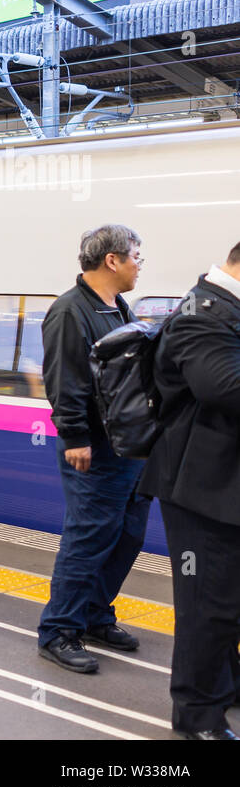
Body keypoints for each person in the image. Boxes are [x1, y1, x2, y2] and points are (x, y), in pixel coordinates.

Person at [36, 225, 150, 673]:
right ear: (112, 260)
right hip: (95, 448)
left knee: (127, 534)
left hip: (129, 446)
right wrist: (76, 437)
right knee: (87, 537)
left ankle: (95, 614)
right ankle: (58, 630)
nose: (141, 264)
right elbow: (63, 379)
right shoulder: (70, 312)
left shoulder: (117, 307)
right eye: (137, 256)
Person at [138, 246, 240, 739]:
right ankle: (197, 713)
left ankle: (226, 685)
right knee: (207, 603)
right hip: (199, 490)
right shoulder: (202, 313)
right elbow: (225, 387)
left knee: (229, 601)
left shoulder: (225, 308)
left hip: (224, 486)